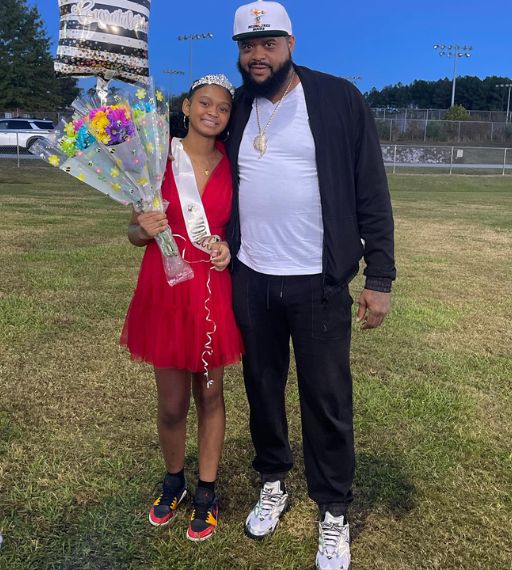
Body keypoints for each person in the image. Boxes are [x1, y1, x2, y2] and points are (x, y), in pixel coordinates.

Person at [226, 2, 396, 569]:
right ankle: (272, 479)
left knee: (327, 400)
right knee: (262, 390)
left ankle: (334, 511)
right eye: (248, 46)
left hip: (318, 282)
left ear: (290, 43)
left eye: (268, 43)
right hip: (251, 277)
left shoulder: (336, 97)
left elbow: (370, 189)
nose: (257, 55)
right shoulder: (237, 106)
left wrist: (380, 276)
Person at [121, 74, 243, 542]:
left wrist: (227, 248)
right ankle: (174, 480)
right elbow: (133, 232)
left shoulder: (234, 165)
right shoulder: (156, 160)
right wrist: (144, 229)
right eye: (204, 103)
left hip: (213, 287)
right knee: (172, 403)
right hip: (168, 285)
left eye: (224, 107)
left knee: (211, 395)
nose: (213, 112)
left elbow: (237, 230)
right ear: (187, 107)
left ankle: (207, 491)